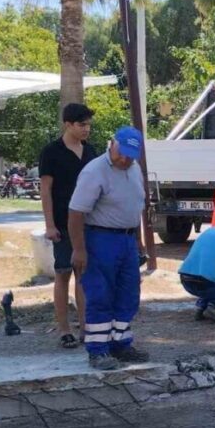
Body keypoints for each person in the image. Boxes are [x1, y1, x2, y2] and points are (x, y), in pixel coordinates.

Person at [68, 126, 150, 370]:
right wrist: (79, 249)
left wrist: (138, 240)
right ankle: (98, 350)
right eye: (121, 153)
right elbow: (76, 213)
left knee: (128, 293)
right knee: (100, 294)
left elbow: (135, 207)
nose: (124, 159)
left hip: (127, 240)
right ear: (112, 143)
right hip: (100, 239)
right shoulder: (95, 171)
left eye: (130, 156)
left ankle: (121, 343)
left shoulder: (135, 170)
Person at [39, 103, 98, 349]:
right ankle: (64, 330)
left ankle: (86, 327)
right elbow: (46, 190)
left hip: (88, 224)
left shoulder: (91, 151)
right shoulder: (51, 152)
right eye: (82, 124)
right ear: (68, 124)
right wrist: (50, 224)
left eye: (88, 125)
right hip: (62, 224)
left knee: (84, 276)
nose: (86, 129)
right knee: (63, 273)